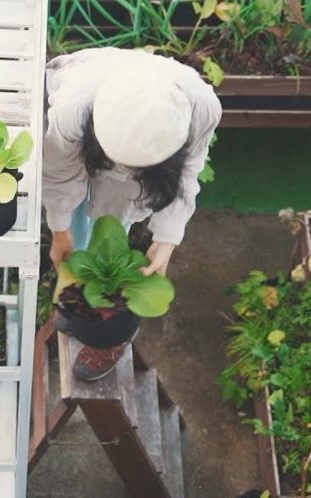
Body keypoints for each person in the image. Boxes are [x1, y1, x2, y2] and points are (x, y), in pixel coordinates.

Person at [44, 47, 221, 381]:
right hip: (84, 120)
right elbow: (60, 176)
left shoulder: (202, 106)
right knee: (74, 229)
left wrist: (168, 237)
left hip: (140, 162)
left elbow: (189, 170)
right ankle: (80, 296)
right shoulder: (72, 110)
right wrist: (59, 229)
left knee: (112, 229)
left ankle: (107, 333)